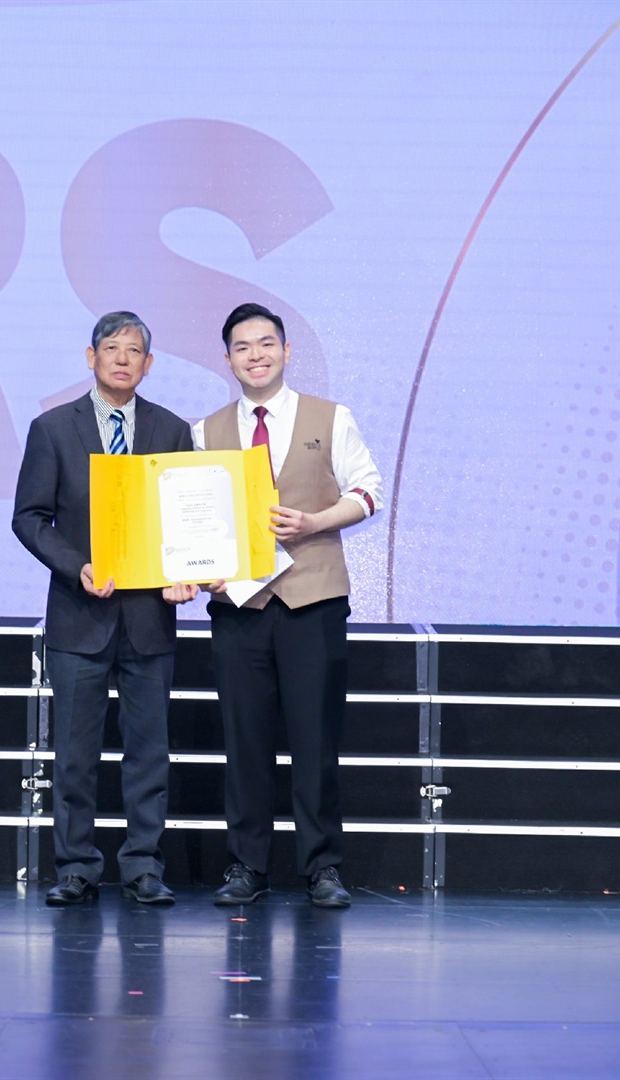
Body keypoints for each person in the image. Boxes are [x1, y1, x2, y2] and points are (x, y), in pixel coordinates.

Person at [194, 302, 382, 909]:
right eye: (243, 347)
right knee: (244, 741)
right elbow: (195, 519)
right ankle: (247, 865)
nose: (256, 355)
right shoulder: (205, 431)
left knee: (315, 740)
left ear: (286, 351)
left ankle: (322, 867)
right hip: (239, 606)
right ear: (228, 359)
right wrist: (197, 568)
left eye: (266, 343)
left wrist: (315, 522)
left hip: (313, 600)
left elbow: (368, 491)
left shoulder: (330, 417)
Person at [12, 311, 198, 906]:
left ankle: (143, 867)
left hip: (149, 618)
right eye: (111, 348)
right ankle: (76, 867)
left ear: (149, 363)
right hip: (80, 614)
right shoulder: (52, 429)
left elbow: (185, 520)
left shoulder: (172, 431)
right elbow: (29, 518)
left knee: (149, 755)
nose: (122, 358)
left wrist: (187, 572)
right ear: (90, 357)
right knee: (75, 755)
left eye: (134, 350)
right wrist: (76, 566)